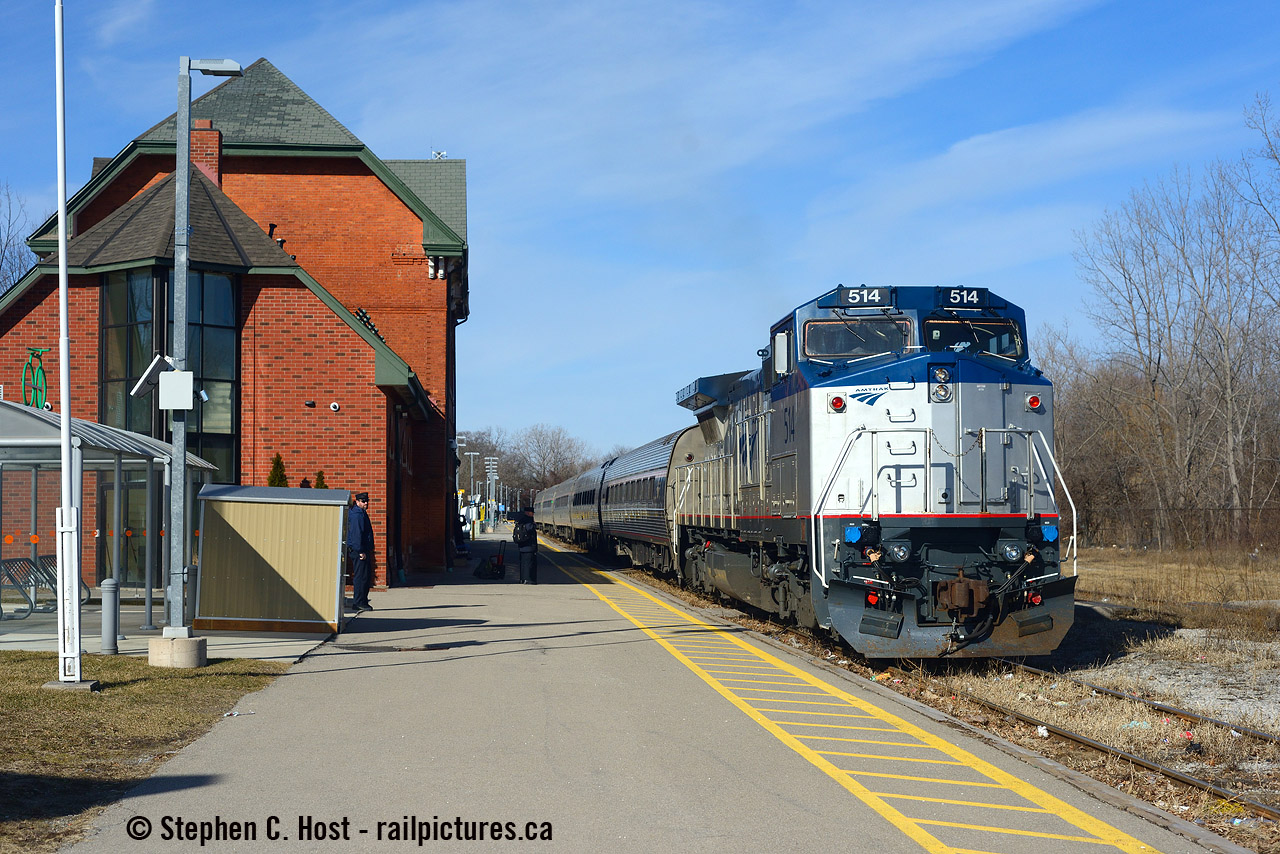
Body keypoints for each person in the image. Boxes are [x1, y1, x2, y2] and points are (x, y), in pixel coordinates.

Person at [347, 491, 375, 611]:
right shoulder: (357, 515)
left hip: (362, 549)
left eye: (367, 501)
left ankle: (362, 601)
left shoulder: (361, 513)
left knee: (365, 576)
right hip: (358, 550)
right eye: (363, 501)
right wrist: (360, 551)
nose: (366, 503)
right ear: (357, 502)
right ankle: (358, 602)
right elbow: (356, 534)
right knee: (361, 576)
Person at [512, 506, 538, 584]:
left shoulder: (520, 520)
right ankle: (529, 579)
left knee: (523, 563)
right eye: (532, 513)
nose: (533, 514)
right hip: (529, 546)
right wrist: (534, 525)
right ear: (527, 512)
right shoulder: (527, 520)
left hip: (522, 546)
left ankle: (523, 579)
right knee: (529, 564)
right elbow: (529, 529)